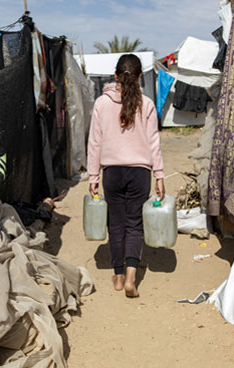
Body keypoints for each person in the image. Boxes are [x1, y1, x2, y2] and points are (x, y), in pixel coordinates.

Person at [87, 54, 165, 298]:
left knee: (116, 224)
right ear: (140, 76)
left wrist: (93, 176)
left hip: (112, 172)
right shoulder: (148, 104)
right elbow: (154, 142)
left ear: (115, 75)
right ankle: (132, 277)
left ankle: (118, 276)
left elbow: (94, 143)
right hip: (140, 173)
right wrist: (159, 174)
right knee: (135, 225)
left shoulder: (101, 103)